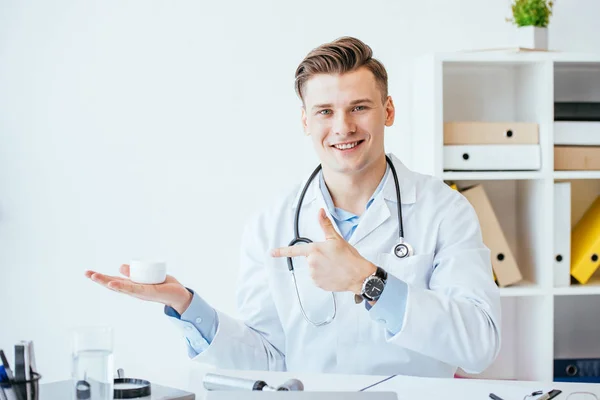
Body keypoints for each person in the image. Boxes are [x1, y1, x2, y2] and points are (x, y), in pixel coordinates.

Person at [85, 36, 501, 378]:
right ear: (305, 121)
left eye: (359, 107)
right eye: (325, 111)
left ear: (387, 111)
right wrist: (186, 305)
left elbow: (479, 345)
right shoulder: (271, 224)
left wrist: (369, 281)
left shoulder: (445, 211)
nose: (343, 127)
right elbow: (269, 362)